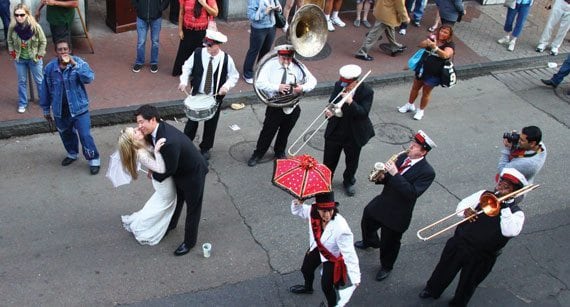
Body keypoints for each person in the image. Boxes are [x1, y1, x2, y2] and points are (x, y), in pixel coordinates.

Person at [419, 168, 530, 307]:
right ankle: (432, 289)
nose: (501, 187)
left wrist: (506, 207)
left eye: (507, 187)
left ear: (514, 191)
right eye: (501, 182)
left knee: (469, 282)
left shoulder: (516, 213)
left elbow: (509, 231)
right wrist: (465, 211)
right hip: (460, 243)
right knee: (444, 269)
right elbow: (462, 205)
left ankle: (458, 303)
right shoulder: (484, 194)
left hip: (482, 256)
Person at [354, 130, 436, 281]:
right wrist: (382, 176)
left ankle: (386, 266)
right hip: (385, 200)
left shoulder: (427, 172)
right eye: (412, 143)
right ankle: (370, 241)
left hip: (399, 212)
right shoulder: (403, 157)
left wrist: (395, 174)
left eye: (415, 146)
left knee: (390, 242)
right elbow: (388, 179)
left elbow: (411, 193)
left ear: (423, 152)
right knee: (367, 218)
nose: (411, 147)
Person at [135, 104, 209, 256]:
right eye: (138, 123)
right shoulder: (155, 131)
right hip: (179, 170)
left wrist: (153, 175)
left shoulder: (168, 140)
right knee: (178, 199)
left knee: (193, 209)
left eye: (142, 122)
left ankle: (189, 242)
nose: (139, 126)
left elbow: (168, 169)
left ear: (153, 119)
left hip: (193, 174)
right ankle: (171, 224)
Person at [247, 44, 317, 167]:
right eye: (283, 58)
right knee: (267, 132)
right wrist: (277, 87)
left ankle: (279, 152)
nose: (286, 61)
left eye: (289, 58)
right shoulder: (270, 65)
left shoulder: (298, 66)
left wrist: (302, 88)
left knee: (285, 132)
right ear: (279, 55)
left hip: (293, 106)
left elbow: (313, 81)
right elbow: (259, 83)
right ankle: (258, 154)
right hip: (275, 106)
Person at [289, 192, 361, 307]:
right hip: (317, 248)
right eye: (323, 211)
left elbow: (349, 253)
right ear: (317, 208)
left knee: (326, 287)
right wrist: (298, 203)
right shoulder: (312, 211)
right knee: (306, 269)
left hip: (331, 257)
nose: (327, 215)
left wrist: (355, 276)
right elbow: (298, 211)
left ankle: (331, 305)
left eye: (330, 210)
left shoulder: (341, 227)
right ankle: (308, 288)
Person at [40, 40, 101, 175]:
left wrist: (75, 66)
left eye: (65, 49)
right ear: (56, 52)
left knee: (85, 135)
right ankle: (72, 154)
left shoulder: (79, 63)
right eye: (60, 50)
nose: (63, 52)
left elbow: (89, 78)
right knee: (66, 134)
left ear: (70, 50)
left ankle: (94, 159)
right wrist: (45, 109)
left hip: (79, 108)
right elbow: (45, 89)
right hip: (60, 110)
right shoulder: (50, 68)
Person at [178, 29, 239, 160]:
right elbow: (187, 67)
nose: (207, 47)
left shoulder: (226, 59)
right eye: (206, 44)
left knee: (211, 123)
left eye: (210, 45)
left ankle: (205, 148)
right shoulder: (198, 53)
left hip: (214, 96)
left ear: (218, 45)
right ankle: (185, 144)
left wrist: (226, 86)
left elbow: (234, 76)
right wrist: (183, 81)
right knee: (192, 121)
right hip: (197, 94)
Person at [117, 127, 177, 246]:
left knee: (158, 203)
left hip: (161, 180)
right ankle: (144, 226)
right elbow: (161, 169)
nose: (138, 129)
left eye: (134, 128)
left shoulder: (144, 142)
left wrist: (150, 168)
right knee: (164, 204)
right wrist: (157, 152)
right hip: (164, 183)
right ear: (133, 141)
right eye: (134, 132)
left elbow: (153, 165)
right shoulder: (141, 154)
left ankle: (146, 221)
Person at [323, 64, 375, 197]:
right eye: (343, 83)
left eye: (348, 84)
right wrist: (329, 111)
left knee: (352, 161)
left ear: (356, 81)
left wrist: (351, 102)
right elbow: (332, 102)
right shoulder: (339, 85)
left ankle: (348, 181)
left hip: (354, 132)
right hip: (336, 129)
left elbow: (363, 113)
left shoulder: (366, 91)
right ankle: (326, 180)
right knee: (329, 158)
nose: (344, 86)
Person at [398, 25, 455, 120]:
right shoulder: (433, 38)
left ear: (449, 35)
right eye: (441, 31)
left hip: (434, 73)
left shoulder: (450, 45)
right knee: (415, 88)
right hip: (422, 68)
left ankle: (420, 110)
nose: (442, 33)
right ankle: (409, 104)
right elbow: (420, 45)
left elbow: (445, 55)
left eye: (445, 33)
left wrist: (435, 48)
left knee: (426, 92)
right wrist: (428, 42)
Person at [7, 4, 47, 114]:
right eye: (16, 15)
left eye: (22, 14)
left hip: (34, 58)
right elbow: (9, 40)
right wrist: (12, 52)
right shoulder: (12, 27)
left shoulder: (35, 26)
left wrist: (40, 55)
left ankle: (44, 101)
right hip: (20, 59)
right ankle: (23, 103)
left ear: (27, 14)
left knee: (39, 81)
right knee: (22, 82)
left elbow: (43, 41)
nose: (19, 17)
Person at [171, 0, 218, 76]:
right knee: (183, 54)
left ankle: (198, 72)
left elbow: (215, 13)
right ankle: (185, 71)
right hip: (188, 30)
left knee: (202, 55)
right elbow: (181, 12)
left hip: (203, 32)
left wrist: (204, 4)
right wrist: (180, 30)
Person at [242, 0, 281, 85]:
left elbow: (279, 7)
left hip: (271, 27)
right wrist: (265, 12)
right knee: (254, 50)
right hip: (259, 29)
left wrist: (277, 9)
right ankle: (247, 74)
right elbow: (251, 16)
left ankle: (260, 70)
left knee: (266, 50)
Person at [131, 0, 169, 73]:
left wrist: (160, 8)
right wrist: (138, 7)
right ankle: (139, 61)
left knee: (155, 41)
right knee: (141, 42)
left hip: (156, 18)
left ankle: (154, 62)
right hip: (141, 17)